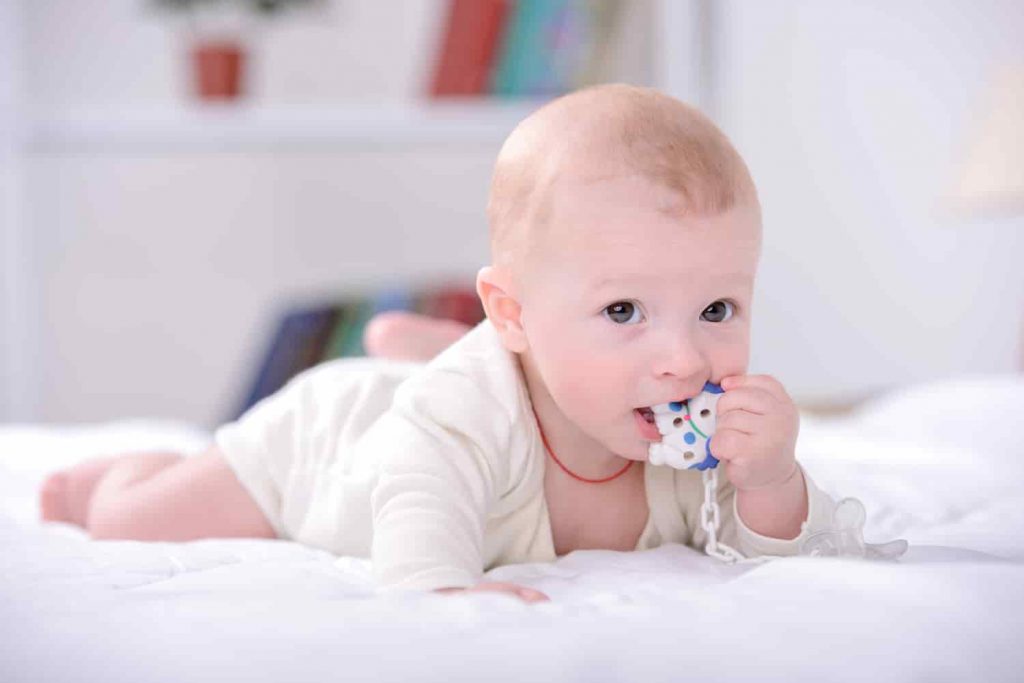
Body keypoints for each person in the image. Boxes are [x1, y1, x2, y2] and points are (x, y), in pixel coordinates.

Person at [39, 84, 837, 604]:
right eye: (625, 309)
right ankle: (119, 476)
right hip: (331, 439)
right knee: (134, 523)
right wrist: (440, 591)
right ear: (514, 310)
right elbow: (419, 499)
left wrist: (770, 478)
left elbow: (755, 545)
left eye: (718, 308)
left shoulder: (686, 435)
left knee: (485, 382)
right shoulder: (455, 417)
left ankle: (432, 344)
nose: (685, 359)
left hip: (484, 376)